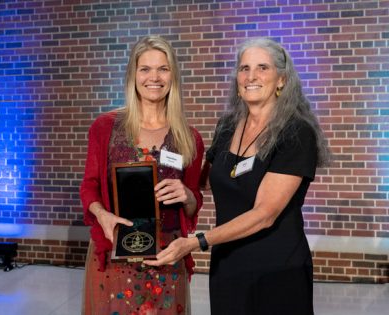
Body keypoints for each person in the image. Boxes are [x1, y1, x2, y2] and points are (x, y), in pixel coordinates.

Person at [144, 37, 330, 315]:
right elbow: (206, 180)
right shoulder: (228, 126)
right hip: (228, 265)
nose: (251, 76)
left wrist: (197, 241)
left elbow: (265, 213)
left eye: (262, 68)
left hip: (278, 270)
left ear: (281, 80)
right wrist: (156, 156)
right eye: (244, 68)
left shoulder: (296, 132)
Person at [80, 35, 205, 315]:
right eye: (145, 69)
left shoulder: (189, 138)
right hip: (115, 255)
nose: (154, 77)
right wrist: (103, 216)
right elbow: (89, 187)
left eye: (163, 68)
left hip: (167, 256)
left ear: (173, 76)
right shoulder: (105, 128)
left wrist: (187, 195)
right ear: (133, 75)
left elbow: (195, 201)